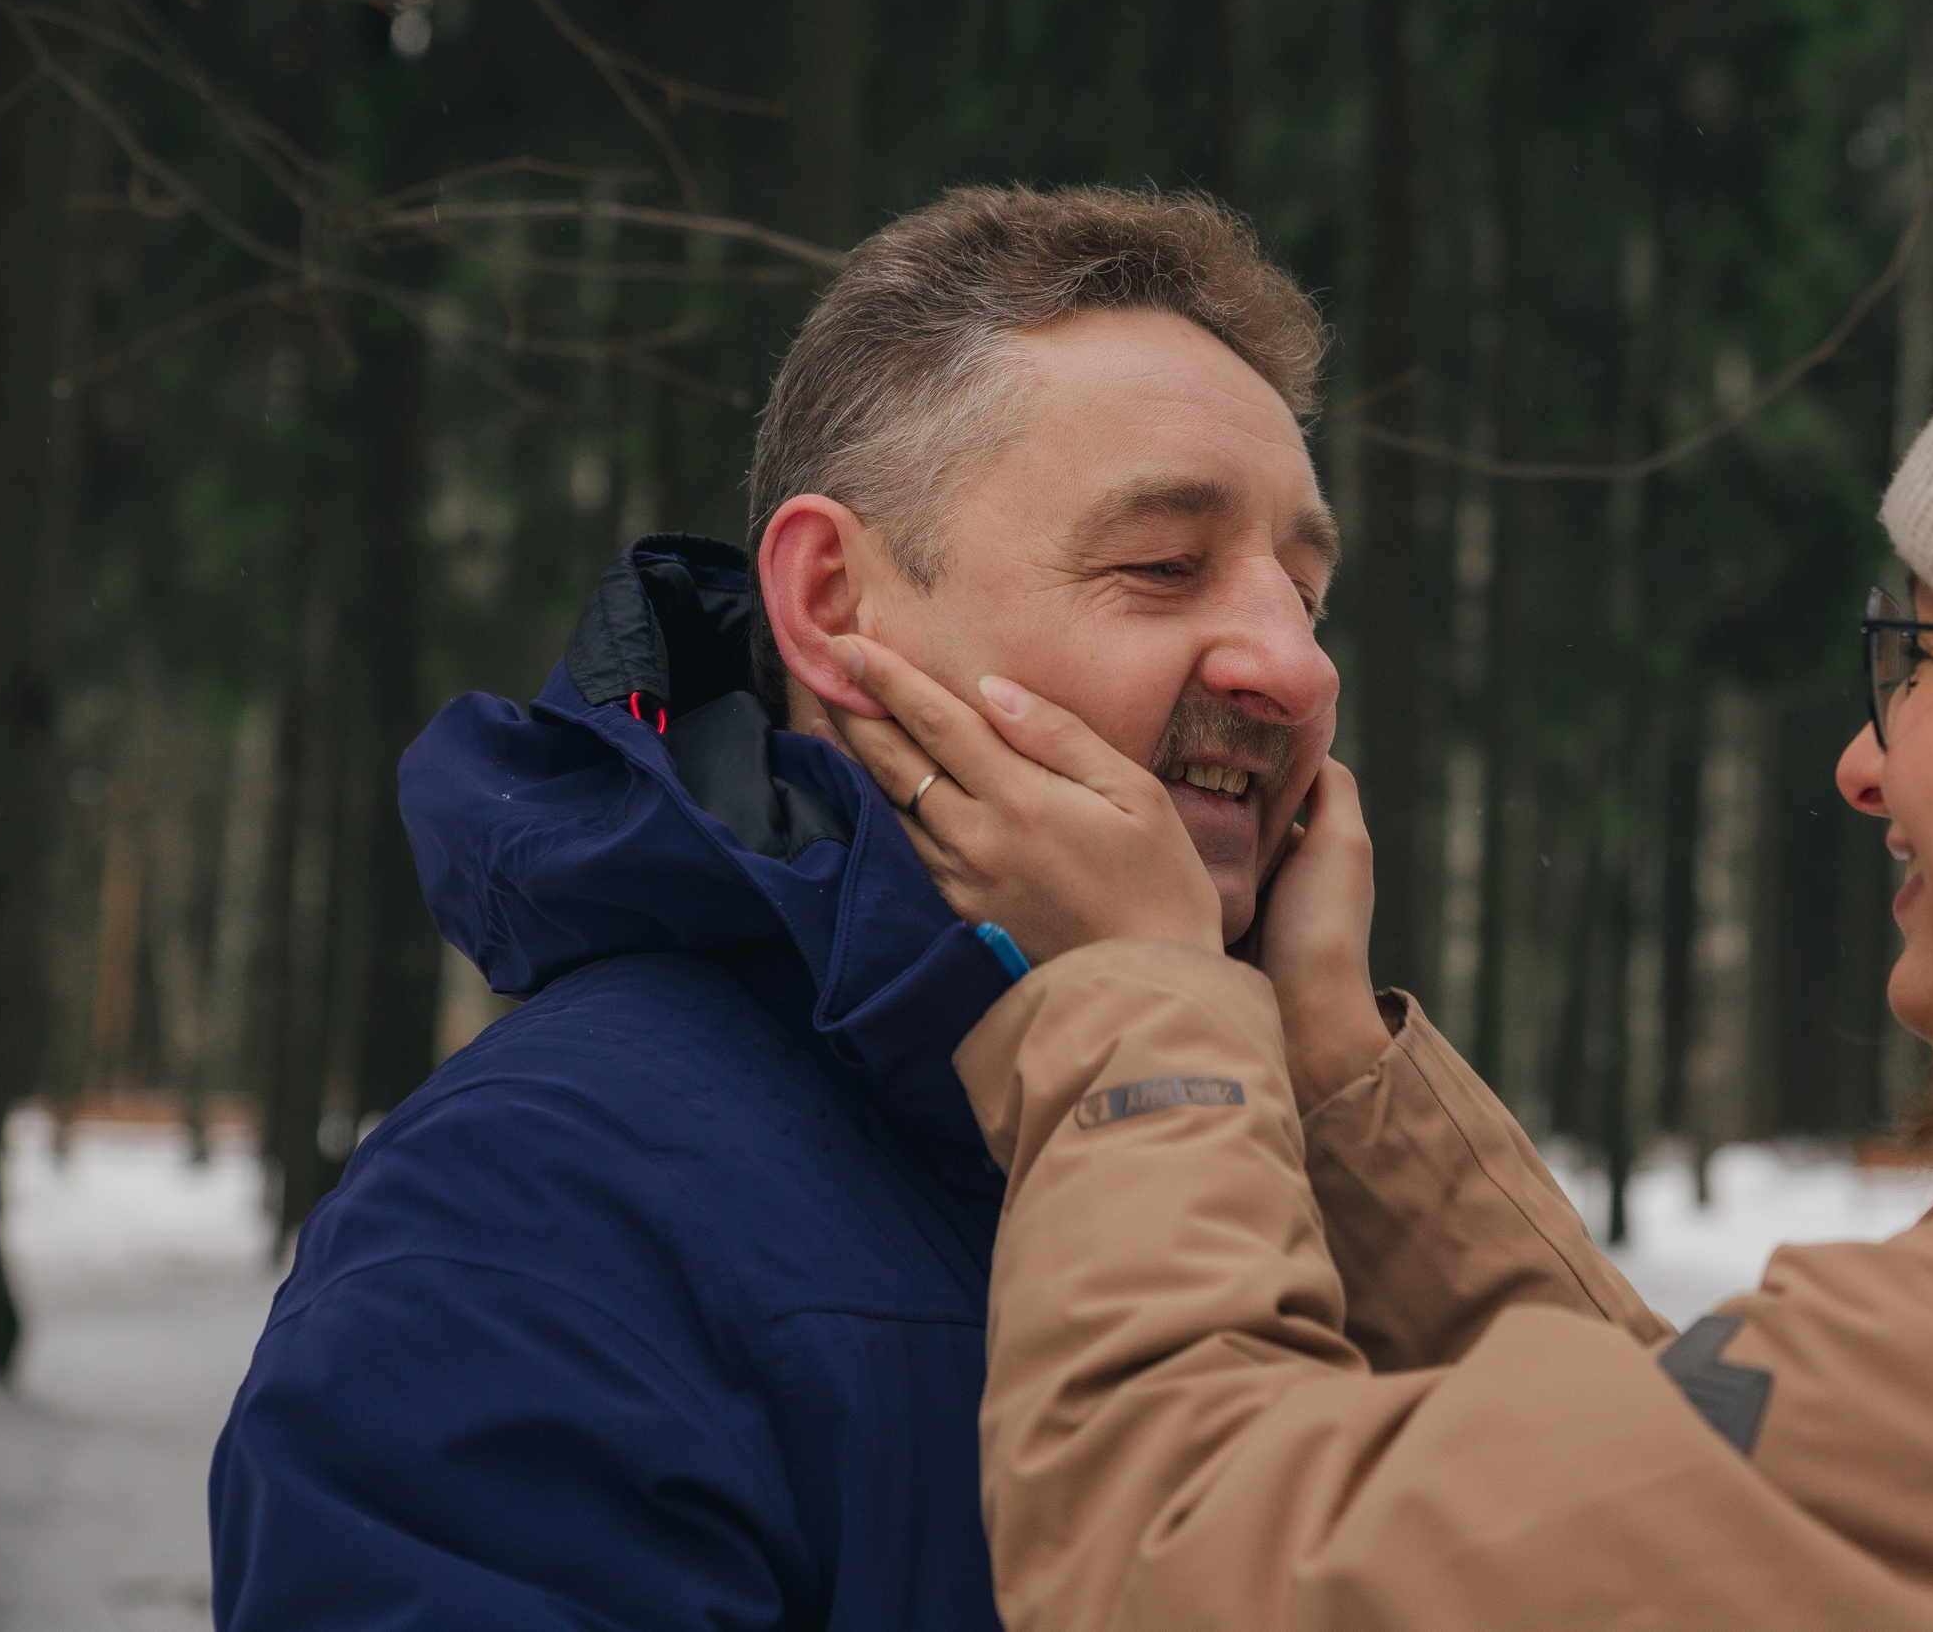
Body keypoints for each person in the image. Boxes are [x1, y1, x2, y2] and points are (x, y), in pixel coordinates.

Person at [824, 143, 1933, 1629]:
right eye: (1159, 566)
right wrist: (1330, 1072)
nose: (1863, 764)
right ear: (835, 606)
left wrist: (1137, 1005)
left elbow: (1203, 1573)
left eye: (1919, 656)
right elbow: (1668, 1503)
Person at [208, 185, 1343, 1628]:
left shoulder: (1298, 1174)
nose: (1294, 670)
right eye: (1163, 565)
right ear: (833, 606)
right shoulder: (534, 1223)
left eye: (1308, 597)